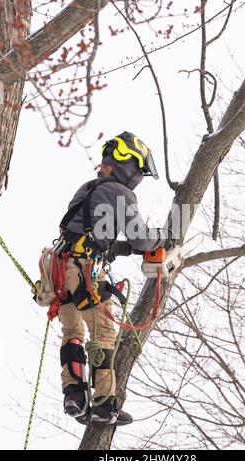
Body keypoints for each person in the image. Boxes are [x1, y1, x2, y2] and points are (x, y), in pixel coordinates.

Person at [57, 131, 167, 425]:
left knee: (72, 333)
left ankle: (75, 398)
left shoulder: (89, 188)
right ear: (127, 165)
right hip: (82, 270)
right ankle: (105, 405)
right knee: (104, 331)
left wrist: (120, 248)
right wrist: (162, 239)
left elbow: (84, 234)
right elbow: (143, 238)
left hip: (59, 267)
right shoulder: (120, 192)